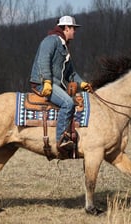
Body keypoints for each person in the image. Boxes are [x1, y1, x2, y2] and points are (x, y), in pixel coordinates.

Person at [29, 15, 91, 151]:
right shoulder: (51, 40)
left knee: (74, 101)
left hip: (53, 84)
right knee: (68, 103)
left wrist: (82, 84)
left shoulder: (64, 47)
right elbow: (43, 60)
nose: (75, 31)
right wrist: (46, 81)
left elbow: (71, 74)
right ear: (66, 28)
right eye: (73, 28)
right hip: (42, 83)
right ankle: (62, 139)